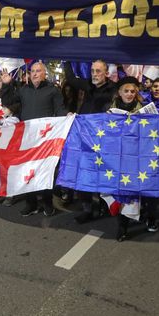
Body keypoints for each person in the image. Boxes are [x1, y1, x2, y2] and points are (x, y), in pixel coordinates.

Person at [0, 61, 66, 216]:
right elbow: (9, 103)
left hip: (44, 140)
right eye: (32, 71)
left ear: (44, 74)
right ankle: (31, 204)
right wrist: (7, 85)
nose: (35, 74)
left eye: (38, 71)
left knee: (44, 171)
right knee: (26, 171)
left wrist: (67, 116)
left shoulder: (53, 90)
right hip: (27, 138)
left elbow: (60, 109)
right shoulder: (23, 90)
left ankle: (48, 203)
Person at [64, 60, 117, 223]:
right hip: (83, 137)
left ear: (106, 73)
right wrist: (65, 59)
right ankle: (87, 208)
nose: (94, 74)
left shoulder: (114, 90)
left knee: (101, 174)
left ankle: (103, 205)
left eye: (98, 71)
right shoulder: (88, 86)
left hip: (103, 139)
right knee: (83, 173)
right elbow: (72, 79)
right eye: (93, 71)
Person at [108, 76, 144, 241]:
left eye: (132, 91)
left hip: (134, 157)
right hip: (115, 157)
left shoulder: (143, 110)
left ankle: (123, 226)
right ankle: (118, 218)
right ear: (119, 92)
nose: (129, 94)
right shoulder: (109, 109)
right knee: (116, 189)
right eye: (126, 91)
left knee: (130, 190)